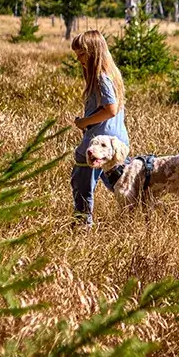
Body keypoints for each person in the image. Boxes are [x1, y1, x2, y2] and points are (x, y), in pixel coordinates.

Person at [70, 30, 129, 226]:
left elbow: (110, 109)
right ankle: (139, 210)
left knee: (81, 178)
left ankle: (82, 223)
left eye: (81, 54)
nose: (78, 59)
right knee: (120, 183)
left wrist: (84, 123)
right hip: (116, 138)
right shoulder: (112, 74)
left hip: (100, 138)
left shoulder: (102, 77)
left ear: (93, 52)